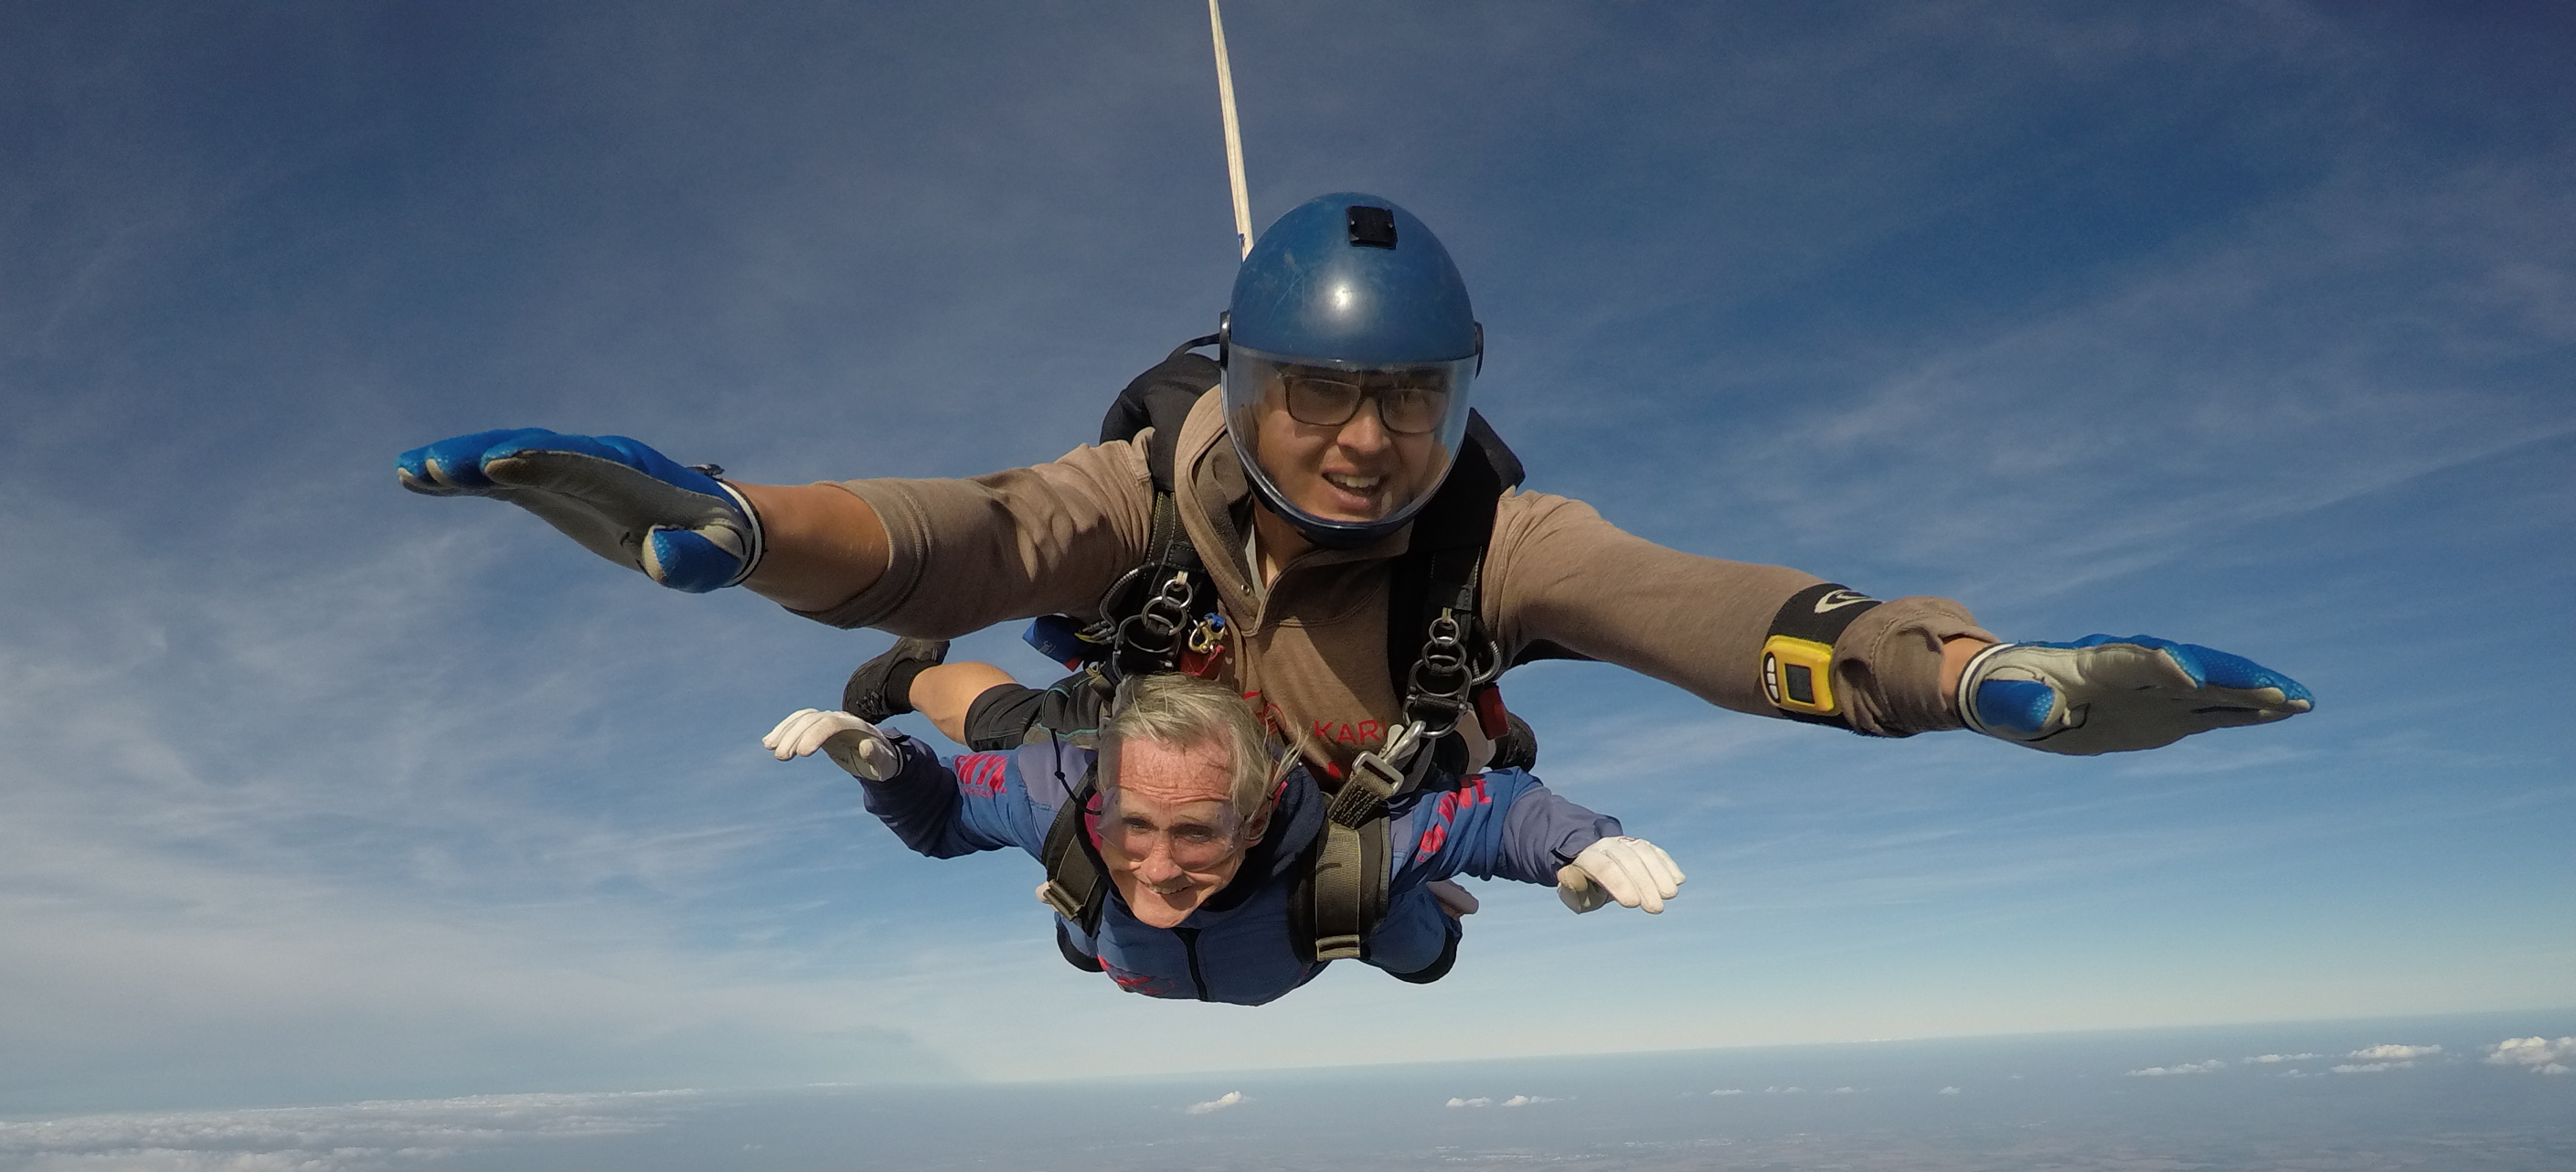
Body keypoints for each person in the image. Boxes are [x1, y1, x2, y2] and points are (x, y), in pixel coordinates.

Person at [398, 191, 2310, 801]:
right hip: (1164, 737)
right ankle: (897, 698)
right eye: (1319, 392)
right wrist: (750, 529)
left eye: (1411, 397)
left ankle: (928, 700)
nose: (1369, 440)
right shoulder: (1145, 489)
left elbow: (1720, 616)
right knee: (1029, 734)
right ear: (1245, 387)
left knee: (1310, 844)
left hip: (1331, 773)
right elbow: (970, 533)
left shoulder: (1498, 539)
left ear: (1459, 394)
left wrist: (1965, 676)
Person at [760, 670, 1685, 1006]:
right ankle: (909, 672)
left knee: (1422, 951)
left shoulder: (1354, 847)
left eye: (1199, 834)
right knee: (1081, 917)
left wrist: (1579, 845)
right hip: (1120, 934)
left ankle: (1417, 897)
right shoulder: (1060, 798)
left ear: (1258, 815)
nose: (1160, 864)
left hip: (1331, 916)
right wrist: (887, 766)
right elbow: (943, 812)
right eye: (1134, 824)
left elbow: (1502, 811)